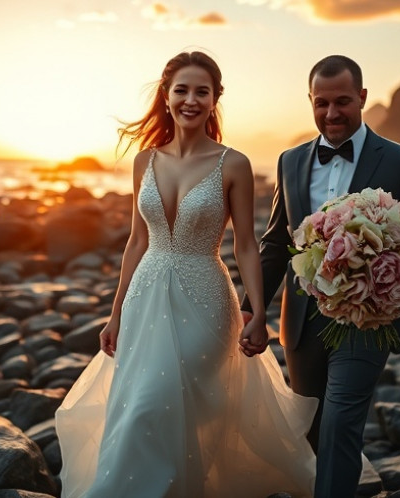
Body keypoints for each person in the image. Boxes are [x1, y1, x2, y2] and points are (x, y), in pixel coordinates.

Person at [55, 51, 318, 497]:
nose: (190, 100)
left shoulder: (232, 164)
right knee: (139, 409)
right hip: (145, 297)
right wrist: (115, 313)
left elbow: (246, 245)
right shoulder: (145, 161)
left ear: (216, 98)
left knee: (171, 409)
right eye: (182, 90)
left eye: (202, 91)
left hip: (206, 299)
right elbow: (138, 241)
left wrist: (258, 314)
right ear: (166, 94)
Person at [240, 55, 400, 497]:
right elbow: (276, 244)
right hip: (301, 320)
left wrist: (381, 275)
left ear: (363, 98)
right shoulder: (289, 161)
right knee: (312, 428)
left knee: (341, 422)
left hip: (367, 318)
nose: (332, 113)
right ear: (310, 102)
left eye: (343, 102)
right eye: (322, 103)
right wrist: (251, 311)